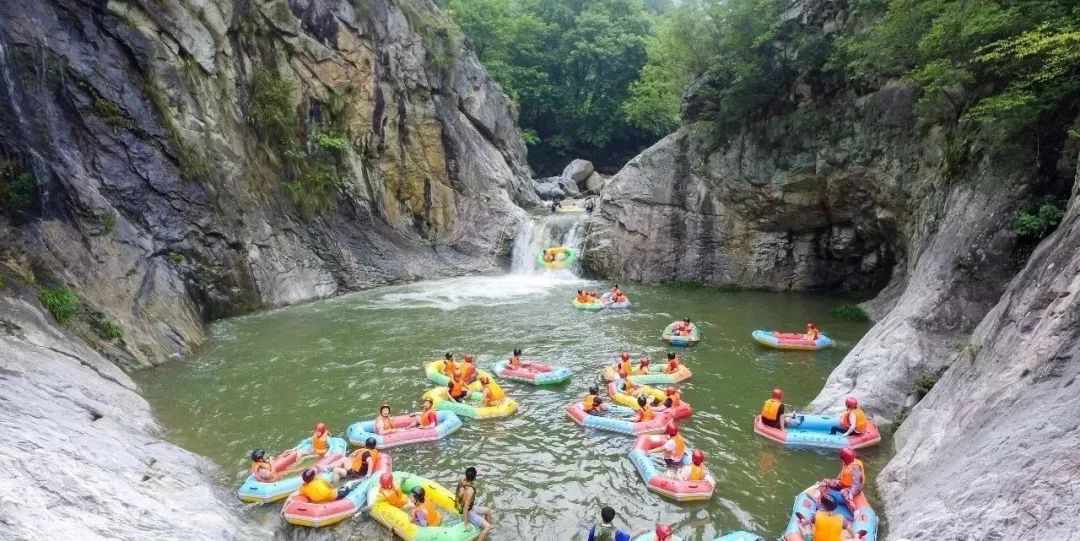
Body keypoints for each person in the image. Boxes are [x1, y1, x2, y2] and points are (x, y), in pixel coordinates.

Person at [456, 466, 492, 541]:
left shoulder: (463, 480)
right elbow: (466, 507)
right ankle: (485, 530)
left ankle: (485, 533)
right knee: (488, 526)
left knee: (488, 511)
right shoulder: (470, 490)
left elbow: (459, 490)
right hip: (469, 512)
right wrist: (466, 523)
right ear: (475, 477)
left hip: (471, 508)